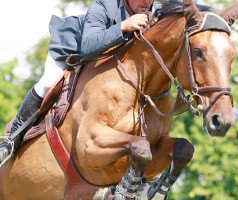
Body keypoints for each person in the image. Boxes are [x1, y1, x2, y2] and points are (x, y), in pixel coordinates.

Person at [0, 0, 156, 166]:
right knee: (47, 83)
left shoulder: (155, 11)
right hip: (72, 51)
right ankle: (11, 140)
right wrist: (122, 26)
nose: (147, 1)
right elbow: (88, 46)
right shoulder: (104, 5)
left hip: (105, 60)